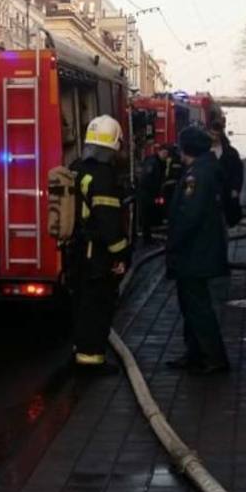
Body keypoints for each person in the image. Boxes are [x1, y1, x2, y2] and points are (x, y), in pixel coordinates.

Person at [165, 125, 230, 375]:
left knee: (198, 306)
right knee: (190, 304)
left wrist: (173, 243)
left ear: (186, 149)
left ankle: (213, 357)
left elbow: (188, 216)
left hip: (195, 253)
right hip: (198, 251)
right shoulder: (204, 168)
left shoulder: (196, 175)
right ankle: (194, 353)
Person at [69, 115, 130, 374]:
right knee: (98, 304)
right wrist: (122, 254)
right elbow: (108, 223)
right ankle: (91, 359)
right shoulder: (104, 176)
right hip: (98, 252)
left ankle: (81, 349)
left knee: (83, 302)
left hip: (78, 248)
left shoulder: (77, 166)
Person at [208, 115, 244, 227]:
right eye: (212, 134)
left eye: (216, 135)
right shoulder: (203, 152)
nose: (214, 137)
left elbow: (238, 172)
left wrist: (235, 189)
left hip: (226, 193)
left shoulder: (230, 153)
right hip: (208, 193)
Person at [138, 142, 169, 243]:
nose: (165, 155)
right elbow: (146, 179)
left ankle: (148, 237)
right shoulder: (153, 163)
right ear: (159, 152)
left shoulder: (160, 163)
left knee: (149, 216)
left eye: (166, 154)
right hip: (146, 193)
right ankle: (147, 239)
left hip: (151, 193)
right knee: (146, 216)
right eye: (164, 153)